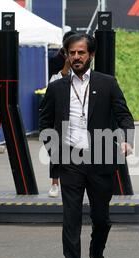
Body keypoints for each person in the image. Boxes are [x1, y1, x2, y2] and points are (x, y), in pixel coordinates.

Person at [39, 33, 135, 258]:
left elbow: (124, 116)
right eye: (72, 53)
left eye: (81, 53)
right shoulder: (57, 87)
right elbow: (44, 122)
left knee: (101, 219)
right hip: (69, 160)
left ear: (90, 55)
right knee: (70, 218)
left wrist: (126, 140)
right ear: (67, 56)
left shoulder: (107, 83)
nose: (76, 57)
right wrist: (54, 150)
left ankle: (97, 253)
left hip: (100, 159)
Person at [47, 31, 76, 198]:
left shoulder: (85, 59)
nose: (75, 55)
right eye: (71, 50)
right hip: (61, 113)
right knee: (57, 150)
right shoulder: (55, 62)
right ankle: (54, 183)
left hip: (79, 112)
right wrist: (65, 69)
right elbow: (52, 85)